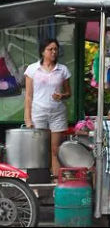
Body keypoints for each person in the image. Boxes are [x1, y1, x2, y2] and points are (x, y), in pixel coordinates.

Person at [24, 39, 71, 179]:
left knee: (55, 149)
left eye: (55, 49)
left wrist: (62, 95)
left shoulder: (63, 69)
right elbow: (28, 96)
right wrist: (28, 118)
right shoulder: (32, 69)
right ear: (43, 51)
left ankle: (56, 182)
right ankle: (38, 182)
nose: (54, 52)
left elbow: (69, 93)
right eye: (50, 49)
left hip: (57, 113)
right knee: (39, 149)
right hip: (38, 112)